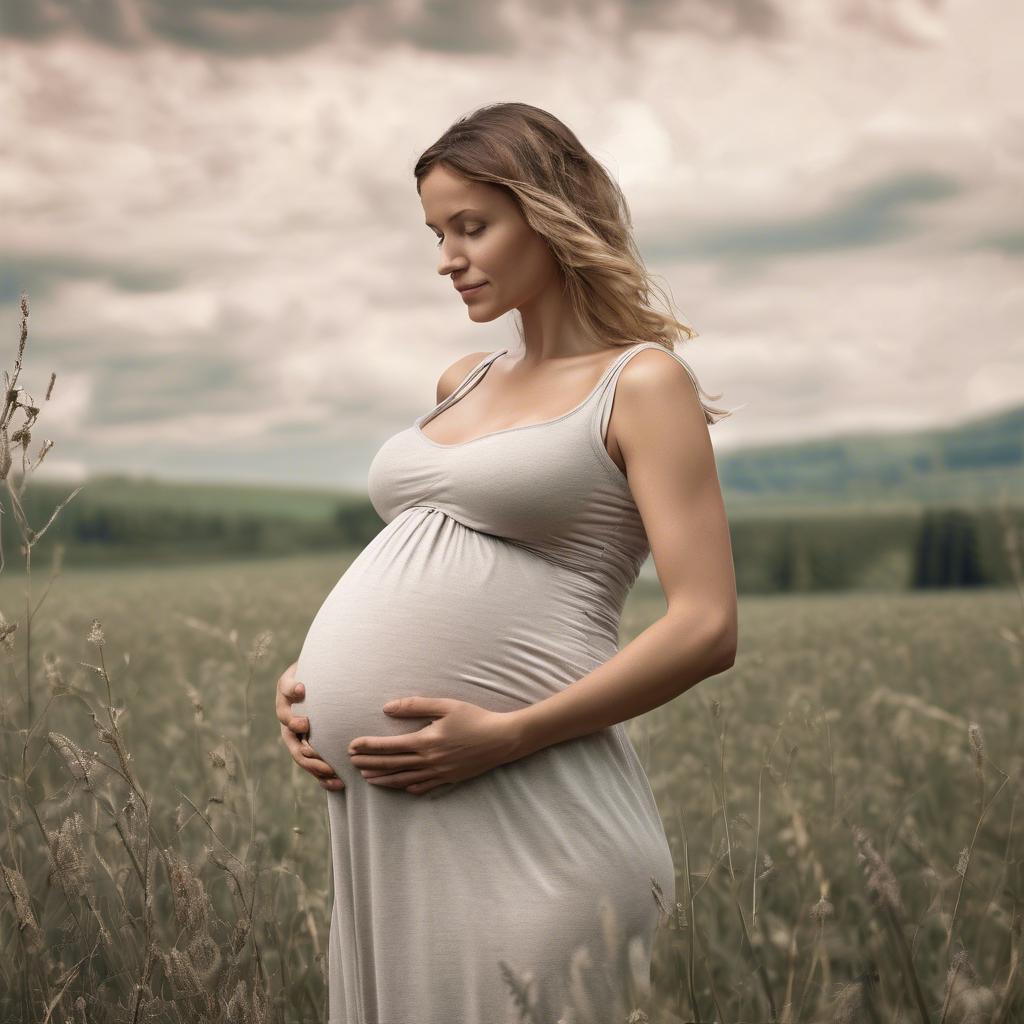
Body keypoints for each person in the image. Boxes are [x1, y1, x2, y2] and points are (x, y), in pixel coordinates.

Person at [275, 101, 738, 1024]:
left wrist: (511, 732)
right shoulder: (465, 380)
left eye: (472, 226)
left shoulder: (642, 383)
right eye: (437, 232)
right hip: (393, 832)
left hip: (538, 827)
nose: (447, 257)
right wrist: (310, 685)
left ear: (549, 213)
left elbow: (707, 626)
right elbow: (432, 555)